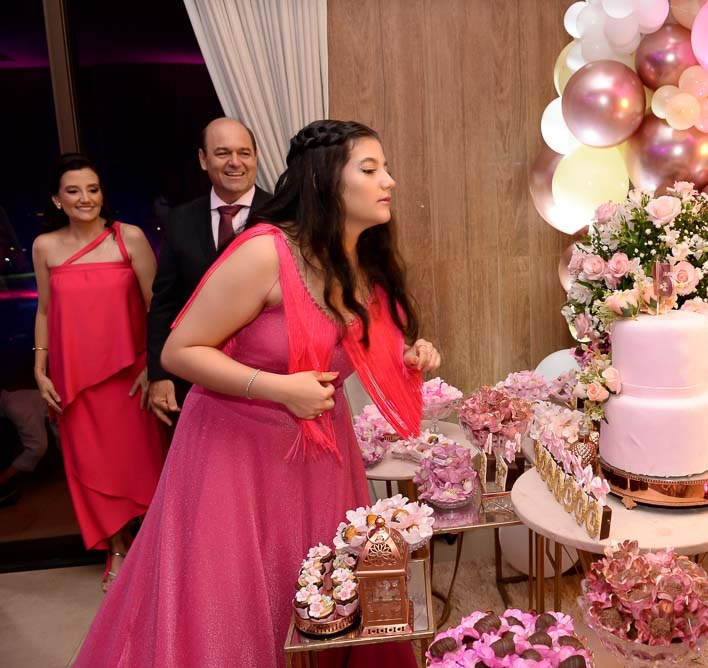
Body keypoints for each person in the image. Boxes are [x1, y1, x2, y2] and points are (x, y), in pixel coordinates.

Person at [74, 120, 440, 667]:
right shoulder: (266, 252)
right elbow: (180, 351)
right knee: (235, 604)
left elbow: (352, 346)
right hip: (234, 457)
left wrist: (408, 354)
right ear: (322, 181)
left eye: (384, 169)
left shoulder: (358, 260)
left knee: (323, 595)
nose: (389, 181)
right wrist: (276, 388)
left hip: (320, 453)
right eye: (370, 169)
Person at [31, 153, 167, 590]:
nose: (85, 198)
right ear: (58, 199)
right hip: (74, 380)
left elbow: (157, 307)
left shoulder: (129, 238)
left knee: (140, 463)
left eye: (92, 189)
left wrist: (154, 366)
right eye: (73, 191)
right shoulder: (45, 246)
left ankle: (156, 551)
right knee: (92, 466)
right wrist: (40, 368)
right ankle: (117, 548)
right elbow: (45, 310)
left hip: (130, 378)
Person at [147, 117, 272, 426]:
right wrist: (159, 373)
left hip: (268, 379)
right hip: (195, 377)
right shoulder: (181, 219)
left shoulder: (284, 216)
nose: (235, 162)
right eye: (223, 153)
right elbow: (165, 302)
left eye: (244, 153)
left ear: (256, 157)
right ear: (203, 159)